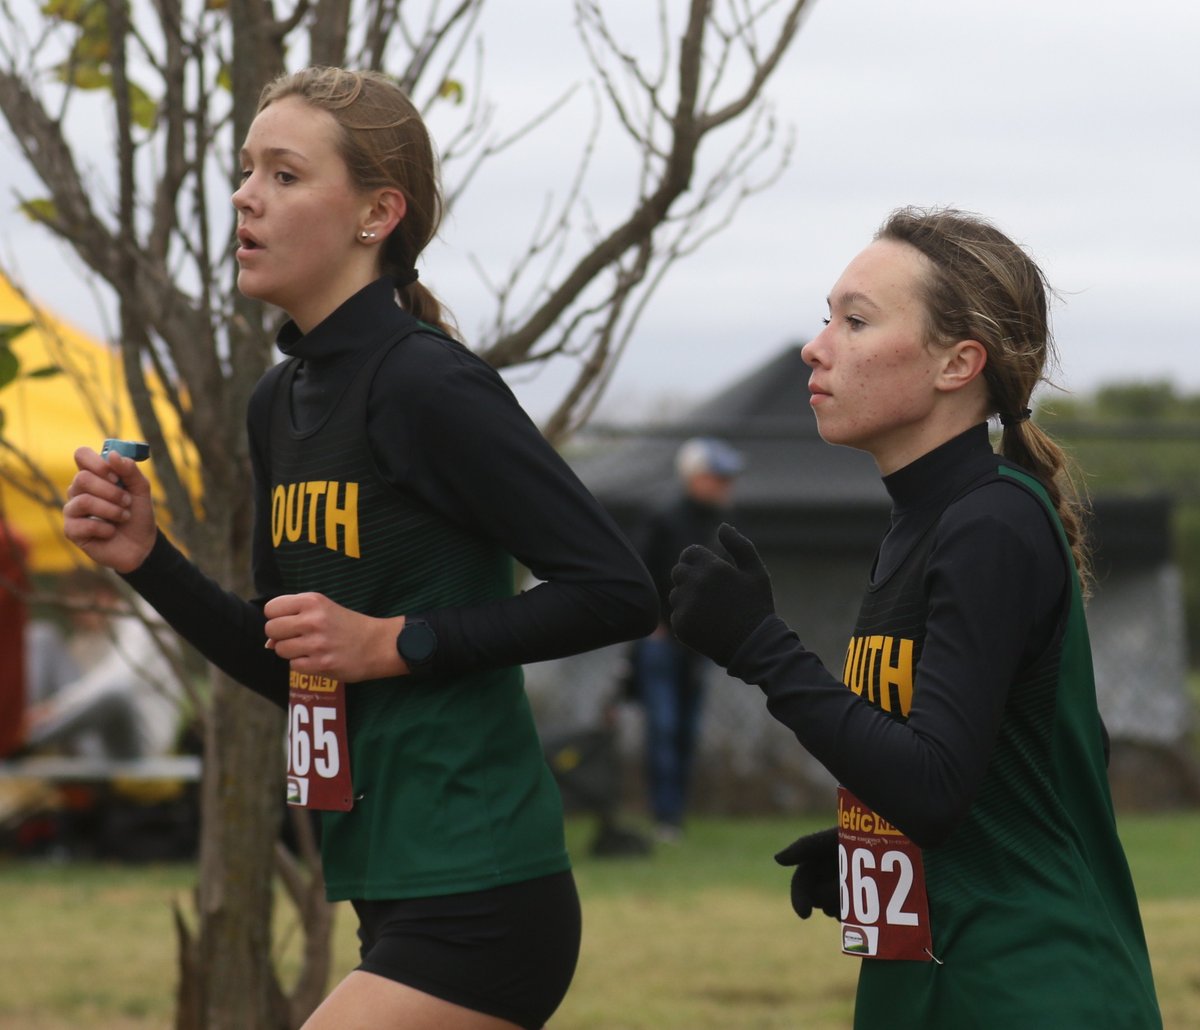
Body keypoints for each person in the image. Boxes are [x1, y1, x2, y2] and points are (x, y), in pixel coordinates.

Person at [62, 66, 657, 1030]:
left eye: (286, 175)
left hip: (484, 884)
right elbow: (287, 662)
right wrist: (146, 559)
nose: (246, 196)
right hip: (383, 883)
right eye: (247, 170)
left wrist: (399, 642)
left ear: (378, 213)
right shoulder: (277, 403)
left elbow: (620, 592)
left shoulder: (428, 386)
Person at [667, 207, 1161, 1028]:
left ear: (958, 363)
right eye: (826, 317)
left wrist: (760, 644)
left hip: (1031, 989)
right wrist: (890, 858)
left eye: (855, 321)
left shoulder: (990, 521)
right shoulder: (921, 524)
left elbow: (934, 786)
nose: (816, 345)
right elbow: (997, 771)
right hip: (941, 975)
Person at [631, 436, 743, 841]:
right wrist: (653, 624)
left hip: (698, 646)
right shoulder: (662, 518)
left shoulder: (721, 526)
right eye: (718, 477)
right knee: (662, 725)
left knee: (685, 729)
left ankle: (674, 815)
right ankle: (664, 817)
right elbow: (639, 576)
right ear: (694, 476)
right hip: (661, 644)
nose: (725, 485)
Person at [22, 570, 182, 761]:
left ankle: (24, 739)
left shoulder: (141, 621)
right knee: (42, 635)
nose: (76, 619)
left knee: (117, 692)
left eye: (80, 609)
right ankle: (16, 724)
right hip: (90, 740)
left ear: (104, 596)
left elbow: (119, 679)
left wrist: (55, 708)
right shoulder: (85, 640)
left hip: (139, 744)